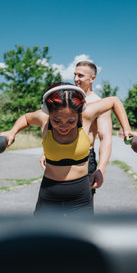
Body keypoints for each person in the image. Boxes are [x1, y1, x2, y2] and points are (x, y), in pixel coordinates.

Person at [0, 82, 137, 216]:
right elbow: (26, 118)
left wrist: (127, 130)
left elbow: (114, 101)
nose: (63, 126)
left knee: (80, 237)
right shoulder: (43, 118)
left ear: (79, 113)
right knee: (43, 238)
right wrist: (12, 132)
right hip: (49, 194)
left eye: (71, 121)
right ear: (48, 112)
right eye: (57, 121)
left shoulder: (86, 115)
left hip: (81, 195)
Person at [40, 61, 113, 207]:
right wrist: (47, 151)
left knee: (81, 209)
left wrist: (101, 168)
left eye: (80, 75)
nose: (76, 79)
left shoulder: (98, 103)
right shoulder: (65, 99)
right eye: (75, 74)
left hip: (84, 159)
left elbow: (105, 138)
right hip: (59, 159)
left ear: (92, 79)